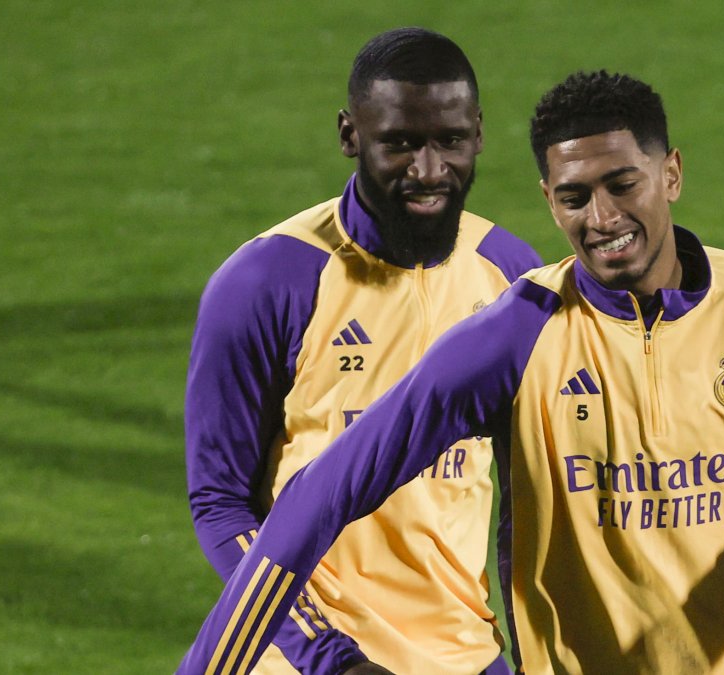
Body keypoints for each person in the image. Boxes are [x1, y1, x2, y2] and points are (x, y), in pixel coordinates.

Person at [179, 70, 724, 675]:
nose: (603, 218)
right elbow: (319, 498)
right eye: (575, 196)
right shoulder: (518, 334)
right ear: (549, 200)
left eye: (622, 184)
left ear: (670, 173)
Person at [183, 27, 540, 675]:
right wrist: (330, 657)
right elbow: (221, 503)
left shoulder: (512, 277)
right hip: (301, 656)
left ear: (479, 133)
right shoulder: (268, 281)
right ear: (350, 135)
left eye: (449, 142)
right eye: (400, 144)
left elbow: (532, 497)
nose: (429, 170)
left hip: (463, 652)